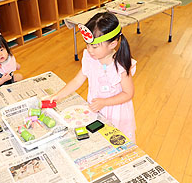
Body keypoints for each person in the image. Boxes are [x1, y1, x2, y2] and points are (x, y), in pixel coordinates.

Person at [51, 12, 137, 142]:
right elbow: (77, 80)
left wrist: (104, 102)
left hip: (116, 114)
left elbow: (128, 93)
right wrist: (58, 95)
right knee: (98, 139)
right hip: (95, 109)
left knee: (117, 141)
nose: (90, 50)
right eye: (87, 45)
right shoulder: (90, 58)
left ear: (112, 44)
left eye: (94, 46)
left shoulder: (121, 65)